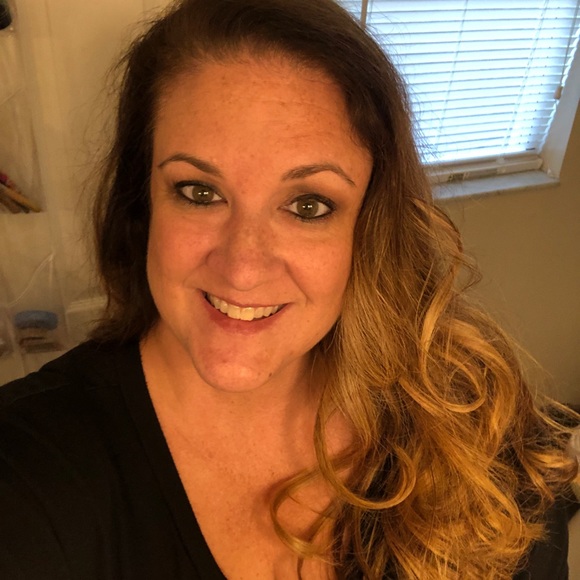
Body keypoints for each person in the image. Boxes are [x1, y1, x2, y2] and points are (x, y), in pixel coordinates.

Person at [0, 0, 577, 578]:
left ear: (368, 228)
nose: (243, 268)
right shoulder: (28, 471)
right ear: (141, 202)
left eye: (308, 206)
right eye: (199, 192)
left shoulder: (473, 424)